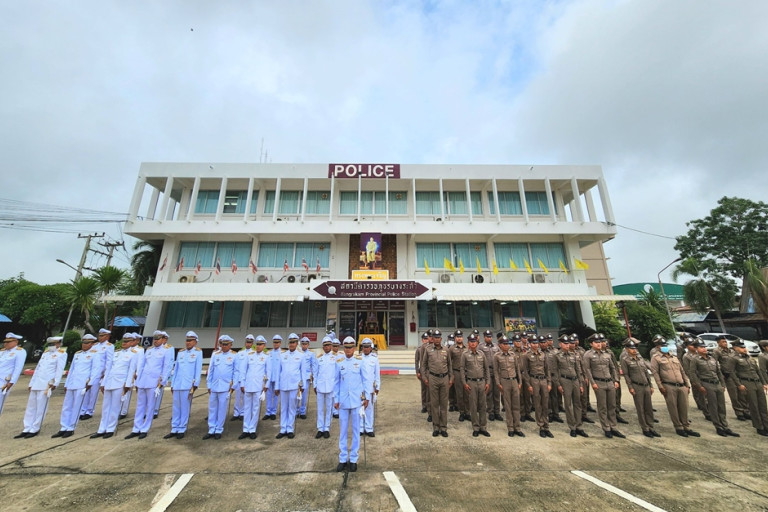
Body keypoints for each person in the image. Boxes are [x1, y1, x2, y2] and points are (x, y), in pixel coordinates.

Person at [125, 330, 174, 439]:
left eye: (158, 339)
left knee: (150, 406)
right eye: (154, 339)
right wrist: (138, 380)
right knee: (140, 406)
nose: (155, 341)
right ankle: (136, 428)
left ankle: (145, 428)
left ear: (162, 339)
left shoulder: (166, 350)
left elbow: (167, 366)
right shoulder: (149, 350)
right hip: (143, 381)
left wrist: (162, 381)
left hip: (154, 381)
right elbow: (142, 365)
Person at [16, 336, 66, 438]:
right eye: (50, 344)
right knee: (31, 407)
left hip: (46, 384)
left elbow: (59, 370)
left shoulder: (61, 354)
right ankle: (27, 428)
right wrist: (31, 383)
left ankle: (35, 428)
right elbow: (38, 369)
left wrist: (55, 383)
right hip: (36, 383)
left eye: (53, 344)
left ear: (58, 344)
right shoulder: (45, 354)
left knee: (41, 408)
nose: (51, 346)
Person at [688, 340, 738, 437]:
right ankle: (718, 426)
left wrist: (722, 384)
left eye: (704, 347)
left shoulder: (712, 358)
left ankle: (725, 426)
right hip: (707, 384)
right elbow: (693, 373)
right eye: (701, 347)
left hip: (717, 383)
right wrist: (699, 386)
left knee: (721, 406)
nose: (704, 349)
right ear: (696, 349)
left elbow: (718, 372)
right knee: (713, 406)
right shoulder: (695, 359)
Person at [650, 339, 699, 438]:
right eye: (662, 345)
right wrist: (660, 386)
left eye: (665, 345)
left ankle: (686, 426)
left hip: (681, 385)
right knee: (673, 408)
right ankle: (678, 427)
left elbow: (682, 371)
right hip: (668, 385)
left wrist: (687, 384)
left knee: (684, 407)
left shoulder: (674, 357)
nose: (664, 347)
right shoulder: (656, 358)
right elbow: (655, 373)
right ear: (658, 347)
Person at [334, 337, 370, 472]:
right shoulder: (339, 363)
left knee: (356, 431)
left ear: (354, 349)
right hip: (343, 401)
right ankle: (343, 458)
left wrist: (366, 397)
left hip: (356, 401)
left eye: (350, 348)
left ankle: (354, 458)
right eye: (346, 347)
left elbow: (365, 380)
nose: (348, 350)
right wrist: (336, 399)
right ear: (343, 349)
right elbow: (336, 382)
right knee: (343, 431)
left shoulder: (360, 362)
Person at [53, 334, 99, 438]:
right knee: (66, 406)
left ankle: (71, 428)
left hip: (82, 383)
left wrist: (90, 383)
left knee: (76, 407)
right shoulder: (77, 354)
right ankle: (63, 427)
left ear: (92, 344)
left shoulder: (95, 354)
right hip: (72, 383)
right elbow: (72, 369)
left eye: (87, 343)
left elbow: (95, 370)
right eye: (83, 343)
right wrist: (67, 384)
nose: (84, 345)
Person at [583, 334, 624, 438]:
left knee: (612, 405)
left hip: (609, 382)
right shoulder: (588, 355)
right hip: (599, 382)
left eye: (600, 342)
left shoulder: (606, 354)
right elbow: (587, 370)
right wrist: (593, 383)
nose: (599, 344)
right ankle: (606, 428)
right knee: (602, 407)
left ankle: (614, 427)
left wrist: (616, 380)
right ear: (591, 344)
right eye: (596, 342)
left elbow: (613, 368)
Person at [164, 331, 203, 439]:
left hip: (188, 385)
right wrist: (172, 384)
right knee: (176, 407)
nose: (188, 342)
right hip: (178, 384)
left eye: (190, 341)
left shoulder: (198, 353)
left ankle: (182, 428)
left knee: (185, 408)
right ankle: (174, 428)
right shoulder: (181, 353)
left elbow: (198, 369)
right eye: (187, 340)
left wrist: (195, 384)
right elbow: (176, 369)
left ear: (195, 342)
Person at [620, 338, 659, 438]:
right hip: (636, 386)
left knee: (648, 408)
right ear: (627, 349)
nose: (634, 350)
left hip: (646, 385)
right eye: (631, 348)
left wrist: (651, 385)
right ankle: (645, 428)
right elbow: (626, 375)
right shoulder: (625, 360)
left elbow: (646, 372)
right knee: (640, 408)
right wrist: (630, 387)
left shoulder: (640, 358)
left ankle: (651, 427)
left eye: (635, 348)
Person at [731, 339, 768, 436]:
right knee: (754, 406)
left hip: (757, 382)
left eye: (744, 347)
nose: (744, 349)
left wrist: (764, 383)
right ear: (736, 348)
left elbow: (758, 371)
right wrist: (739, 384)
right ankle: (759, 427)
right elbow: (732, 373)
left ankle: (766, 425)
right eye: (741, 348)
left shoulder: (750, 357)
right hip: (747, 383)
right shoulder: (733, 358)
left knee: (763, 405)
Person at [553, 335, 587, 438]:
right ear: (560, 344)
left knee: (578, 404)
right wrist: (558, 385)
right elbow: (555, 371)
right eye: (565, 343)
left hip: (575, 380)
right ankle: (572, 427)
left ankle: (579, 426)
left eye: (568, 343)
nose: (567, 345)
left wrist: (581, 384)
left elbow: (578, 370)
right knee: (568, 405)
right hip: (565, 381)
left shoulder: (574, 355)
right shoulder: (557, 356)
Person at [204, 335, 237, 440]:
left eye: (226, 344)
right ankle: (211, 429)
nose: (224, 346)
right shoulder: (215, 354)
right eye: (222, 344)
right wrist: (209, 384)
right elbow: (211, 370)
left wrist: (233, 386)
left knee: (222, 409)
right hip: (214, 385)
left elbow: (236, 372)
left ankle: (218, 429)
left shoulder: (234, 355)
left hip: (225, 386)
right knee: (212, 409)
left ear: (230, 345)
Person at [420, 329, 452, 437]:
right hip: (433, 378)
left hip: (444, 378)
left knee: (443, 404)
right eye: (435, 337)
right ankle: (436, 427)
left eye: (439, 337)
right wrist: (424, 377)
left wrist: (451, 378)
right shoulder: (428, 350)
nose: (437, 339)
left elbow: (450, 365)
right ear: (432, 339)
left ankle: (443, 427)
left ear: (441, 339)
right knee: (434, 404)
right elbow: (423, 365)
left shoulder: (446, 349)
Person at [238, 334, 271, 439]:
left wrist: (266, 386)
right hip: (248, 385)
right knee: (247, 408)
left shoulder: (266, 357)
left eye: (260, 344)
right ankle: (245, 429)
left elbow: (269, 373)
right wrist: (242, 384)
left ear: (264, 346)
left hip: (258, 386)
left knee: (255, 409)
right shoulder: (249, 356)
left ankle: (252, 429)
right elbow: (243, 371)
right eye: (257, 344)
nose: (258, 346)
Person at [521, 336, 553, 438]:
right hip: (534, 380)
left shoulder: (543, 354)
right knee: (537, 404)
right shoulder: (526, 355)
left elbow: (547, 369)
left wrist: (549, 383)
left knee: (545, 403)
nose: (535, 345)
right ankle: (541, 426)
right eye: (533, 343)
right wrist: (528, 385)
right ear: (530, 344)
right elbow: (525, 372)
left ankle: (547, 426)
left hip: (543, 380)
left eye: (536, 343)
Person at [275, 333, 306, 439]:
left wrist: (302, 386)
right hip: (283, 385)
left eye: (293, 342)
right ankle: (283, 429)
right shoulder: (282, 355)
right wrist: (277, 386)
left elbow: (303, 372)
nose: (291, 344)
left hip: (294, 386)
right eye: (290, 342)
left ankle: (290, 429)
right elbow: (278, 372)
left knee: (292, 408)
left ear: (297, 343)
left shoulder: (301, 356)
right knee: (283, 408)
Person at [493, 335, 524, 437]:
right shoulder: (497, 356)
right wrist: (498, 383)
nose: (506, 345)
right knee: (508, 406)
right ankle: (510, 427)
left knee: (516, 405)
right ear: (500, 345)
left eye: (507, 344)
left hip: (514, 381)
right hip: (504, 381)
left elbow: (517, 369)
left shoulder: (513, 355)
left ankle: (517, 427)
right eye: (504, 344)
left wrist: (520, 382)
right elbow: (496, 371)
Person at [713, 335, 750, 420]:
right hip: (728, 375)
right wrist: (721, 374)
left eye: (725, 341)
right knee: (734, 395)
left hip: (737, 374)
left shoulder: (731, 350)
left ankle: (746, 411)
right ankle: (739, 412)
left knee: (742, 394)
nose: (725, 343)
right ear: (718, 343)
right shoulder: (717, 351)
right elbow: (715, 363)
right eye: (723, 342)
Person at [80, 328, 113, 420]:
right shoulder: (95, 345)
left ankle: (89, 411)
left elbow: (109, 361)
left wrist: (105, 372)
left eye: (102, 336)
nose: (100, 337)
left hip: (99, 372)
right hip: (90, 371)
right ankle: (83, 410)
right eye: (99, 335)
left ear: (107, 336)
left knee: (93, 392)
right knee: (86, 391)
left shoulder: (109, 346)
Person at [460, 333, 490, 437]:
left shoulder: (481, 354)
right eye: (471, 342)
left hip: (482, 382)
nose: (473, 343)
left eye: (474, 342)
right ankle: (476, 427)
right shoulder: (465, 355)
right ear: (468, 343)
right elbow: (462, 370)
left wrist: (488, 382)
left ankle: (483, 427)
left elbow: (486, 369)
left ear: (477, 343)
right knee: (473, 406)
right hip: (471, 383)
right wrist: (464, 383)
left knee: (482, 405)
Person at [314, 336, 337, 439]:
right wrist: (315, 385)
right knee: (320, 409)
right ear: (323, 347)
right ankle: (320, 428)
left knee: (329, 408)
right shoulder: (319, 358)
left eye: (328, 345)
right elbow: (315, 373)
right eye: (325, 345)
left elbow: (337, 374)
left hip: (331, 386)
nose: (326, 347)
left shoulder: (335, 357)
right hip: (320, 386)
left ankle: (327, 428)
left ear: (331, 346)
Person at [1, 333, 27, 418]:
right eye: (5, 342)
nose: (6, 344)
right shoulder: (2, 351)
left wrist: (12, 382)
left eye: (8, 342)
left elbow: (18, 368)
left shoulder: (20, 352)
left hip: (4, 381)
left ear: (16, 342)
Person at [359, 338, 380, 437]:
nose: (366, 349)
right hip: (360, 386)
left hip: (370, 386)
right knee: (360, 407)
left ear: (371, 348)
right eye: (364, 347)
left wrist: (377, 387)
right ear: (362, 348)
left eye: (367, 347)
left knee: (369, 408)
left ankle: (369, 428)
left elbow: (377, 374)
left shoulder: (374, 359)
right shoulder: (358, 358)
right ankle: (360, 427)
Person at [232, 334, 255, 421]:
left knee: (246, 397)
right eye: (247, 342)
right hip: (239, 378)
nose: (248, 344)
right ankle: (236, 413)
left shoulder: (254, 353)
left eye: (250, 342)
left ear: (252, 343)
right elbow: (236, 367)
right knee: (237, 397)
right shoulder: (239, 353)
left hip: (247, 379)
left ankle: (243, 413)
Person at [479, 330, 501, 421]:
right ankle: (490, 412)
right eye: (487, 337)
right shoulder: (480, 347)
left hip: (496, 371)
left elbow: (500, 357)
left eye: (490, 336)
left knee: (497, 393)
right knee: (489, 392)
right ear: (484, 337)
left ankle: (497, 412)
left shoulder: (496, 346)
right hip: (487, 371)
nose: (489, 338)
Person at [448, 330, 469, 422]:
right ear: (455, 338)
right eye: (457, 337)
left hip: (467, 373)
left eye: (460, 337)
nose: (459, 338)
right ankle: (462, 412)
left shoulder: (467, 347)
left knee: (467, 393)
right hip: (457, 372)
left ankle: (467, 412)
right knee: (459, 393)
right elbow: (449, 362)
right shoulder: (451, 349)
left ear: (462, 338)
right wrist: (451, 375)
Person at [264, 334, 283, 421]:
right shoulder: (269, 353)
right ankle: (268, 412)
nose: (276, 344)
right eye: (274, 342)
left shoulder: (282, 353)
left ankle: (273, 412)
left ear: (280, 343)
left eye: (277, 342)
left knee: (276, 395)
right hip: (269, 378)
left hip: (277, 377)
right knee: (268, 395)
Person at [299, 336, 316, 419]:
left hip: (306, 377)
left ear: (308, 345)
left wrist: (313, 376)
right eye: (303, 344)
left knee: (304, 395)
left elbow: (313, 366)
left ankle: (302, 411)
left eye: (306, 344)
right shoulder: (298, 353)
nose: (304, 345)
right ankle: (296, 411)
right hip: (298, 377)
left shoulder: (311, 354)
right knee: (296, 394)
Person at [415, 331, 431, 419]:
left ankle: (429, 406)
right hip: (422, 371)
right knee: (424, 390)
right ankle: (424, 405)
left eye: (426, 339)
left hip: (429, 371)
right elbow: (416, 361)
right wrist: (417, 371)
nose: (425, 340)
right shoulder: (419, 349)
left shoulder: (430, 348)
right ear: (422, 340)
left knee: (429, 391)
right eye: (424, 339)